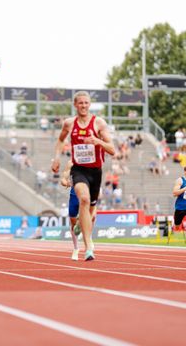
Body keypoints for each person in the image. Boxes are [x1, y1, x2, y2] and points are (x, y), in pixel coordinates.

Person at [51, 91, 115, 261]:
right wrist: (56, 158)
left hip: (95, 172)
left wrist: (97, 141)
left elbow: (112, 149)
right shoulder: (69, 124)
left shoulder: (99, 124)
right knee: (84, 200)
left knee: (91, 209)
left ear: (90, 105)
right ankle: (88, 248)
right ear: (75, 105)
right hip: (78, 169)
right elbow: (60, 140)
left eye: (86, 103)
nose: (84, 106)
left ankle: (81, 224)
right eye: (80, 103)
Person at [60, 161, 81, 260]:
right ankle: (76, 248)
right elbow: (63, 179)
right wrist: (65, 182)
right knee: (73, 223)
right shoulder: (71, 163)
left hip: (85, 195)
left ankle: (89, 243)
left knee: (87, 217)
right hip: (73, 196)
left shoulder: (90, 161)